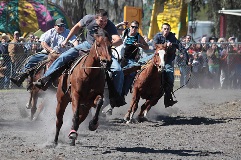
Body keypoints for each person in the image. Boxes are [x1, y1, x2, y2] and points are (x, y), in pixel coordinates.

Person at [33, 9, 125, 106]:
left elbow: (119, 40)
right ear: (95, 18)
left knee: (118, 70)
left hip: (102, 51)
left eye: (106, 20)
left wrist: (105, 44)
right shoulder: (88, 19)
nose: (104, 23)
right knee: (63, 57)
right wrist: (66, 40)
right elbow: (76, 27)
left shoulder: (109, 25)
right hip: (87, 45)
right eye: (101, 21)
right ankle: (45, 79)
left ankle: (115, 97)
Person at [10, 18, 77, 87]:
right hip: (49, 54)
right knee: (33, 59)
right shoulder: (50, 32)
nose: (61, 27)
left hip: (64, 55)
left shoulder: (68, 32)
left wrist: (76, 48)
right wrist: (51, 50)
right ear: (55, 26)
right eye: (59, 26)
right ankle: (21, 77)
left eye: (63, 25)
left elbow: (75, 41)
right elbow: (43, 42)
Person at [152, 23, 188, 107]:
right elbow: (153, 45)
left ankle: (168, 98)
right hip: (156, 59)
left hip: (167, 61)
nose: (166, 30)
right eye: (164, 29)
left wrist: (186, 58)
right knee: (143, 68)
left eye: (168, 29)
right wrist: (164, 45)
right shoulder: (157, 36)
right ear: (161, 29)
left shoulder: (172, 38)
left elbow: (181, 48)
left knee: (170, 76)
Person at [121, 20, 149, 96]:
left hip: (131, 59)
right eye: (133, 27)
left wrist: (139, 45)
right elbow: (114, 31)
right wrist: (121, 24)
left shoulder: (138, 36)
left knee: (132, 73)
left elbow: (147, 47)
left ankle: (124, 93)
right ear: (130, 27)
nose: (134, 29)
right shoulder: (125, 32)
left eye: (136, 27)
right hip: (121, 57)